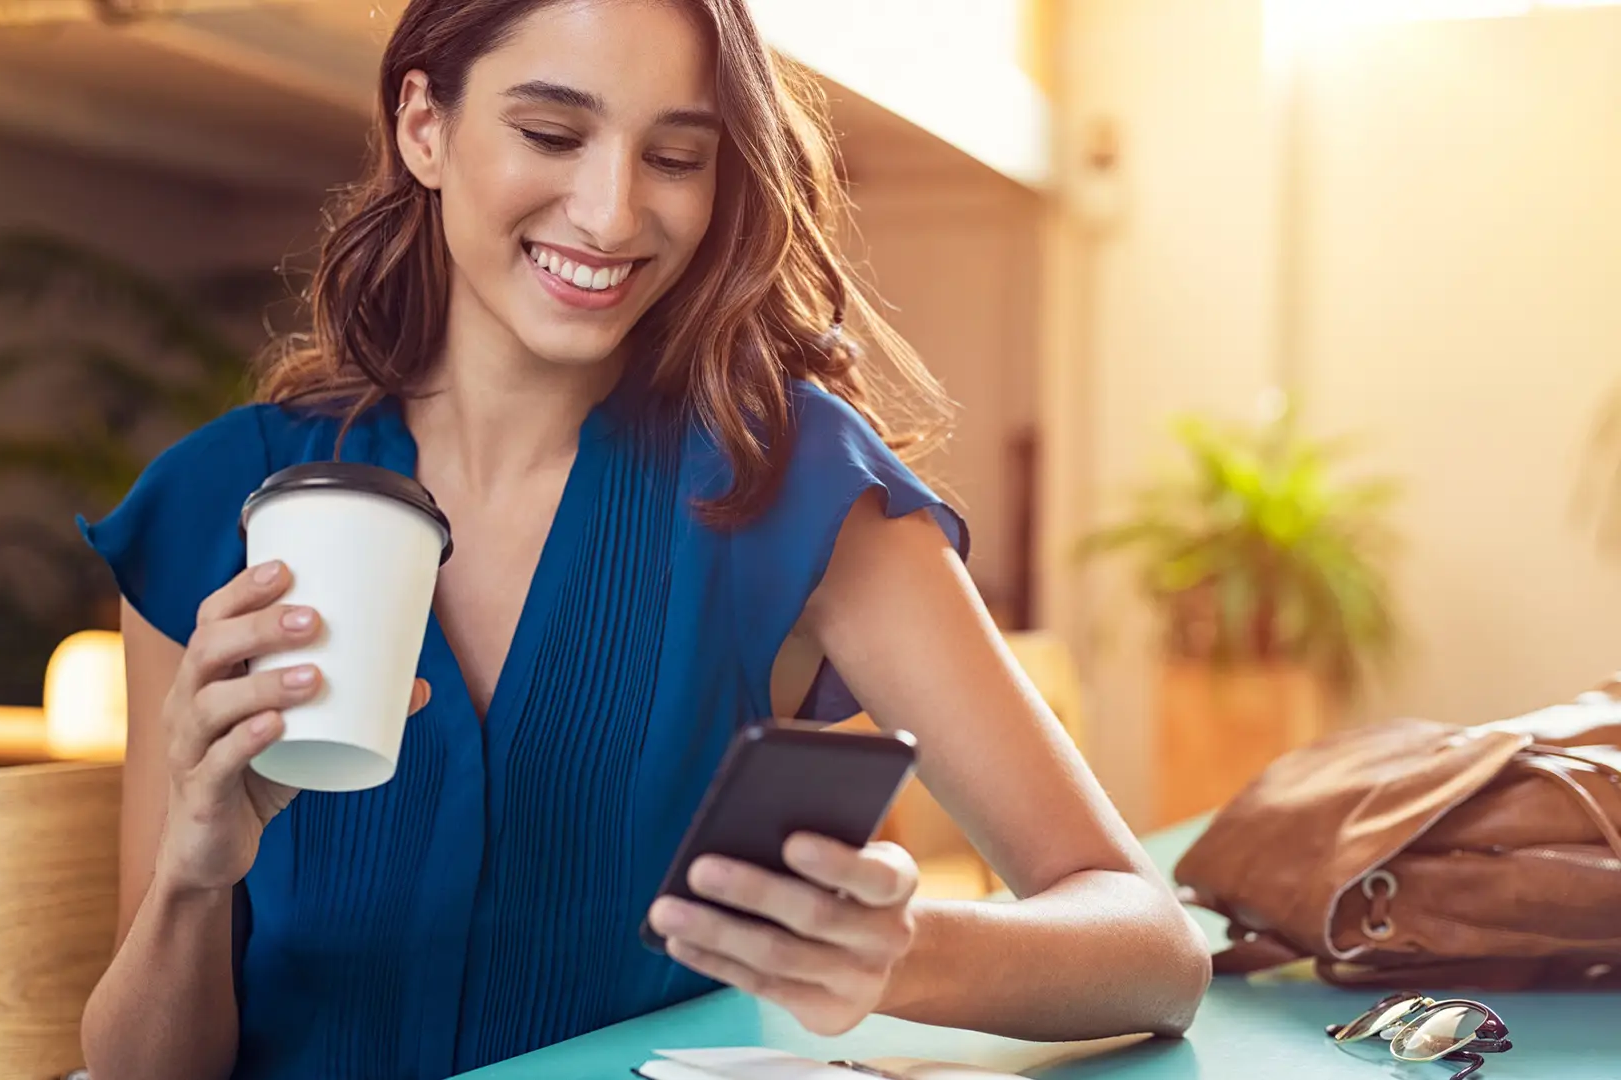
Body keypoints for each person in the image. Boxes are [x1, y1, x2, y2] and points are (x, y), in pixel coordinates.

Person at [76, 2, 1212, 1078]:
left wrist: (903, 948)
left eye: (675, 157)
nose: (613, 213)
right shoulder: (219, 504)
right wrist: (191, 878)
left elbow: (1152, 946)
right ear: (424, 125)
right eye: (551, 132)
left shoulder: (792, 485)